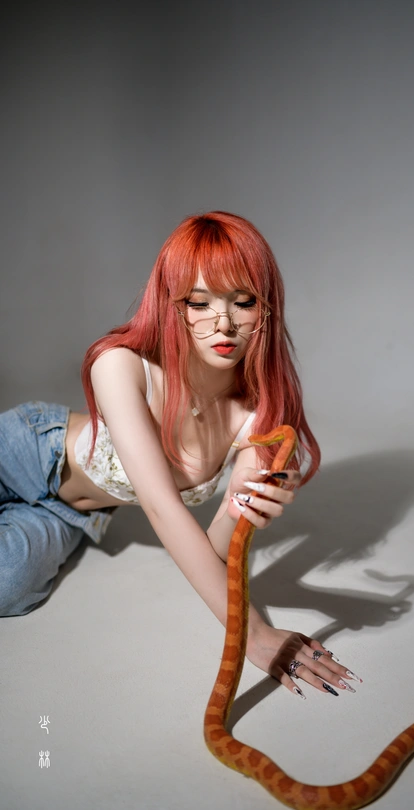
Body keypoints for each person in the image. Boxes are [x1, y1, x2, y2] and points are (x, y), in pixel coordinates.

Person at [0, 211, 361, 697]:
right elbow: (161, 507)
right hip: (22, 451)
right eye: (199, 302)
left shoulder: (258, 418)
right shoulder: (121, 366)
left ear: (265, 308)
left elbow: (215, 550)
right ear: (174, 306)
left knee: (9, 587)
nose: (224, 323)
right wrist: (253, 635)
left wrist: (242, 505)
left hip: (70, 514)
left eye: (243, 301)